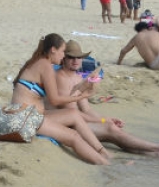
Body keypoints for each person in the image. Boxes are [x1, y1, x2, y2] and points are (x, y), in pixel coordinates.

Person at [50, 40, 159, 157]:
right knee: (111, 130)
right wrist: (103, 121)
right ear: (63, 59)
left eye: (79, 57)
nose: (76, 61)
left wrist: (104, 119)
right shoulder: (61, 78)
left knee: (113, 130)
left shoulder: (77, 78)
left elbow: (86, 109)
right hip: (69, 126)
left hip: (79, 122)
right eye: (71, 57)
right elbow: (72, 113)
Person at [7, 33, 109, 165]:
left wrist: (80, 89)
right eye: (62, 52)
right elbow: (55, 100)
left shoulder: (38, 62)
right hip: (23, 117)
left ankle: (104, 153)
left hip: (26, 113)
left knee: (73, 114)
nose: (63, 56)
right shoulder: (45, 66)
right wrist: (82, 96)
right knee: (73, 137)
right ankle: (105, 164)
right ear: (53, 50)